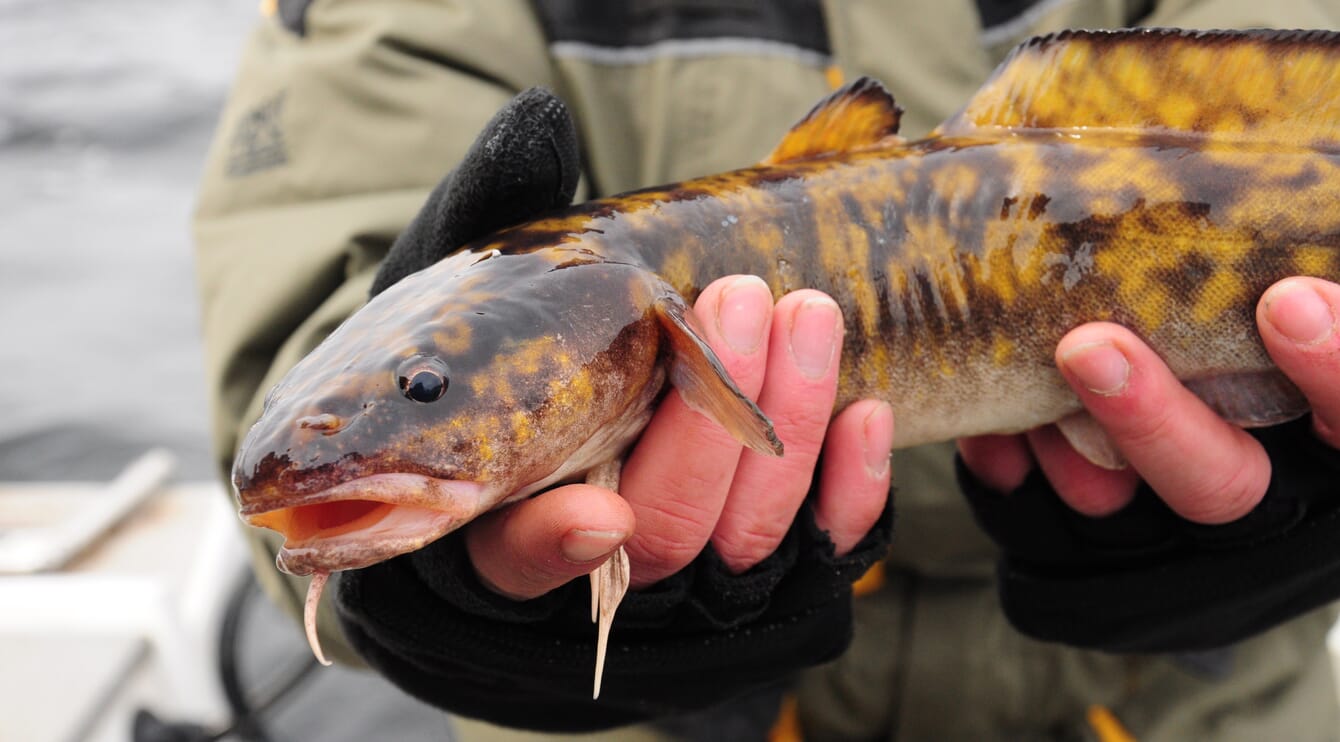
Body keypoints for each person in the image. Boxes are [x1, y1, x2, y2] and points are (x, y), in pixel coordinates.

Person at [194, 1, 1340, 739]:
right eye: (426, 390)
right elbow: (290, 399)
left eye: (426, 393)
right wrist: (446, 613)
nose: (413, 407)